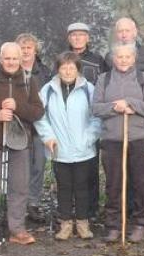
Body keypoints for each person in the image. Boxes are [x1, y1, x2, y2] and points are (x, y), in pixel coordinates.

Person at [0, 42, 44, 248]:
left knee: (19, 186)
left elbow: (38, 111)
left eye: (14, 58)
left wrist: (18, 107)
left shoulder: (29, 80)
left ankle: (17, 230)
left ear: (21, 59)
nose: (11, 62)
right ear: (0, 58)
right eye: (7, 58)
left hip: (20, 141)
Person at [93, 43, 144, 243]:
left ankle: (140, 223)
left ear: (134, 58)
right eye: (119, 57)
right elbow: (95, 108)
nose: (123, 60)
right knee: (114, 184)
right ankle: (113, 225)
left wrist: (131, 104)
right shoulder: (104, 79)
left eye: (127, 57)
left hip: (140, 137)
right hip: (113, 139)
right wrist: (116, 107)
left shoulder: (143, 78)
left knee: (142, 182)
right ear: (113, 59)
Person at [34, 52, 101, 240]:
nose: (68, 71)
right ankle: (65, 224)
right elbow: (40, 116)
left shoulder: (89, 89)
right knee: (63, 187)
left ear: (78, 69)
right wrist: (48, 136)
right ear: (58, 69)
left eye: (72, 67)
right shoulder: (48, 90)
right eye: (64, 67)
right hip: (59, 149)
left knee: (82, 187)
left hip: (84, 149)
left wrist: (88, 138)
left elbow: (97, 117)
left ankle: (82, 223)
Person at [66, 22, 107, 218]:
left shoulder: (98, 60)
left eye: (81, 35)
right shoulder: (63, 59)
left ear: (87, 38)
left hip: (91, 118)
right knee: (67, 166)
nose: (77, 38)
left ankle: (91, 208)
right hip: (68, 119)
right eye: (74, 35)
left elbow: (105, 85)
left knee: (90, 163)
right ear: (69, 39)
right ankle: (69, 207)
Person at [16, 33, 52, 222]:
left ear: (35, 49)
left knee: (38, 165)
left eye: (29, 47)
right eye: (22, 47)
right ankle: (17, 204)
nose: (26, 51)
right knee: (19, 167)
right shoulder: (10, 69)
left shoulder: (44, 72)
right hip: (17, 127)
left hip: (39, 126)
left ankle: (33, 203)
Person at [104, 17, 144, 96]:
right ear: (116, 34)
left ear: (135, 32)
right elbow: (106, 85)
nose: (124, 35)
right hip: (117, 104)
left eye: (127, 31)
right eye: (120, 31)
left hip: (143, 105)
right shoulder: (109, 57)